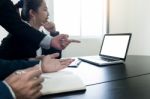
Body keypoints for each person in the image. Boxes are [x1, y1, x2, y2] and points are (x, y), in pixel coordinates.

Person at [0, 0, 80, 60]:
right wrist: (34, 61)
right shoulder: (17, 37)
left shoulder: (40, 35)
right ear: (32, 13)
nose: (48, 14)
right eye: (45, 10)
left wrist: (53, 33)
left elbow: (54, 58)